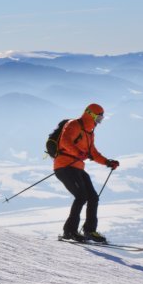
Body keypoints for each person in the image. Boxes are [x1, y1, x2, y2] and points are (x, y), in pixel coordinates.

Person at [53, 103, 119, 243]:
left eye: (101, 119)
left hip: (77, 168)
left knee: (93, 197)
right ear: (91, 115)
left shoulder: (89, 132)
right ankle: (69, 231)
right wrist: (78, 153)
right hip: (64, 166)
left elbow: (92, 153)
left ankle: (89, 231)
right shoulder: (73, 125)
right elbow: (65, 141)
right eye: (99, 118)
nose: (99, 121)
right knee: (81, 196)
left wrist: (108, 162)